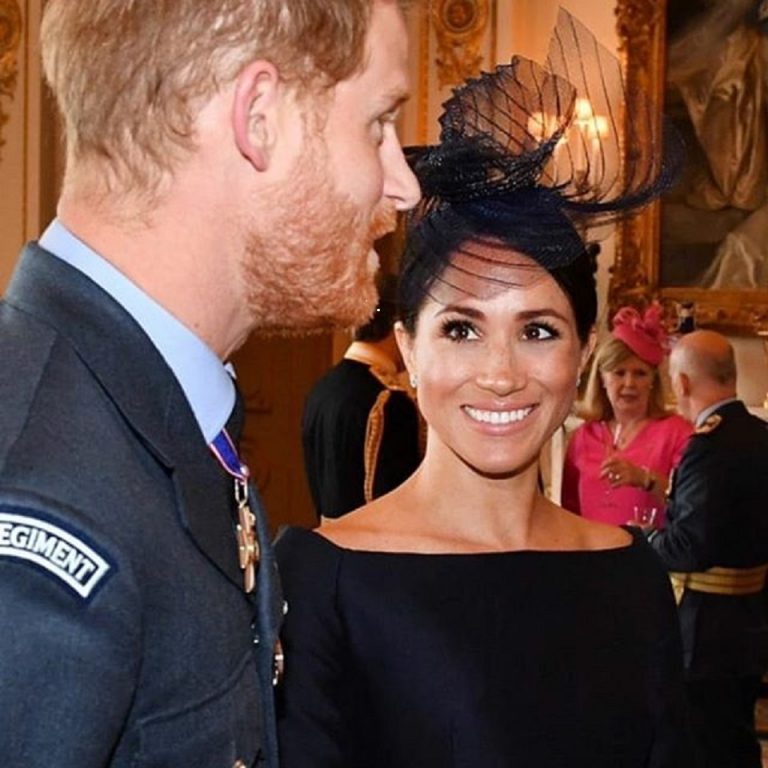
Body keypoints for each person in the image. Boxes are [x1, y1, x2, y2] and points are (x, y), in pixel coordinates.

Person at [0, 1, 419, 767]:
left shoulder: (141, 411)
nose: (403, 185)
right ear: (259, 118)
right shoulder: (42, 493)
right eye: (378, 124)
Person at [275, 12, 692, 766]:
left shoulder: (630, 573)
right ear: (408, 350)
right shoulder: (326, 576)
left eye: (539, 330)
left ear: (583, 353)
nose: (500, 373)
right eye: (462, 329)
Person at [647, 330, 768, 768]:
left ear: (681, 383)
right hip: (751, 620)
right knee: (736, 739)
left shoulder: (709, 446)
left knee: (703, 744)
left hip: (705, 630)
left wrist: (642, 540)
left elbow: (689, 546)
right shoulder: (760, 435)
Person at [562, 304, 692, 528]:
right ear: (602, 379)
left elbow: (692, 508)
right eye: (619, 373)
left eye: (640, 373)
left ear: (653, 381)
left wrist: (645, 480)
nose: (629, 383)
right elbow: (568, 512)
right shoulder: (582, 437)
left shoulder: (678, 433)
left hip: (651, 549)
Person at [302, 275, 421, 520]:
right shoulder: (388, 401)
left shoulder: (322, 389)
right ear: (397, 329)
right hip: (374, 540)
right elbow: (396, 506)